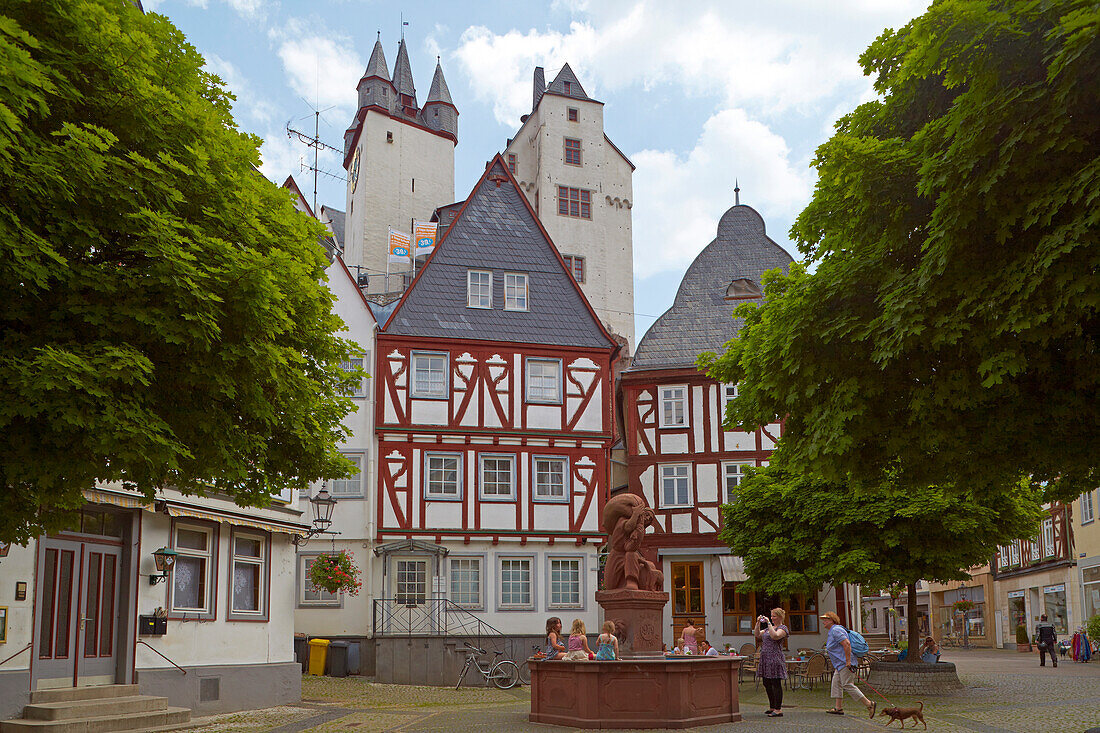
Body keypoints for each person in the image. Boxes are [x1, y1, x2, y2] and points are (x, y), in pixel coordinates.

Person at [821, 611, 875, 719]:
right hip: (840, 664)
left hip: (845, 663)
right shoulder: (833, 630)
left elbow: (846, 644)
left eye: (825, 619)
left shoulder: (836, 630)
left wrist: (848, 661)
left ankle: (869, 704)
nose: (823, 621)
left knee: (847, 684)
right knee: (836, 683)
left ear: (832, 620)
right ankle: (838, 708)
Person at [755, 608, 790, 718]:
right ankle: (772, 706)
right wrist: (757, 623)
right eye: (771, 616)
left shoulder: (783, 628)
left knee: (775, 683)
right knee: (767, 683)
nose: (772, 618)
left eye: (774, 616)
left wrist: (769, 624)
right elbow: (757, 635)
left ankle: (778, 709)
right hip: (765, 658)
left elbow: (775, 636)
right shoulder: (767, 629)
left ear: (780, 617)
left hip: (775, 658)